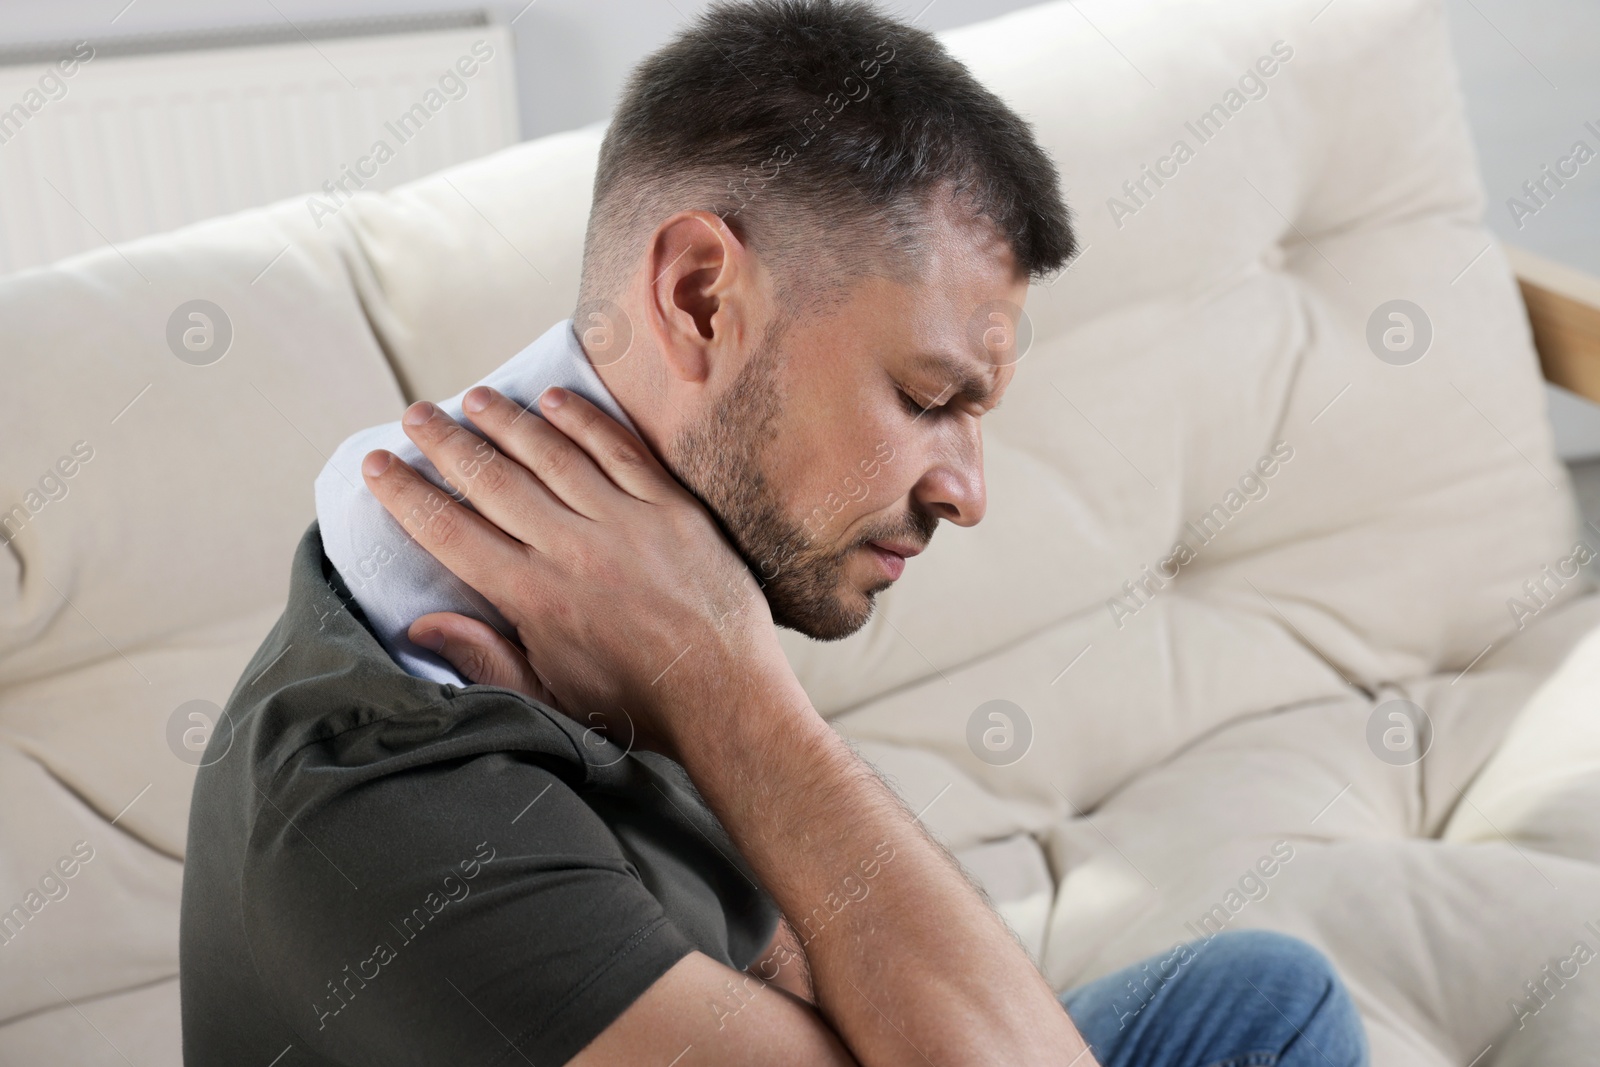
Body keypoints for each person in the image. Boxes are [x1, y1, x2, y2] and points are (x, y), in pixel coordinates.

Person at [179, 2, 1369, 1064]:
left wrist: (691, 726)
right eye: (924, 396)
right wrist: (729, 684)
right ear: (702, 296)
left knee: (1266, 996)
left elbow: (780, 961)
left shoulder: (627, 590)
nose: (966, 491)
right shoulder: (390, 822)